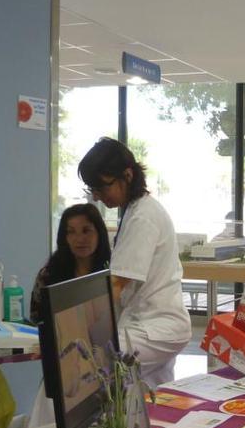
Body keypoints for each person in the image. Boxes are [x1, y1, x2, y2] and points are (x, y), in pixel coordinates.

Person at [78, 137, 192, 388]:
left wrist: (72, 327)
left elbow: (115, 286)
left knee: (77, 365)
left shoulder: (143, 217)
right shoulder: (135, 211)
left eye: (102, 187)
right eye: (92, 190)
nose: (97, 197)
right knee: (150, 403)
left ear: (127, 175)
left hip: (156, 325)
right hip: (149, 323)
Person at [29, 203, 111, 325]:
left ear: (100, 233)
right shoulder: (48, 274)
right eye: (71, 232)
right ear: (64, 237)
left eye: (86, 231)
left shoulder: (113, 270)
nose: (79, 239)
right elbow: (36, 319)